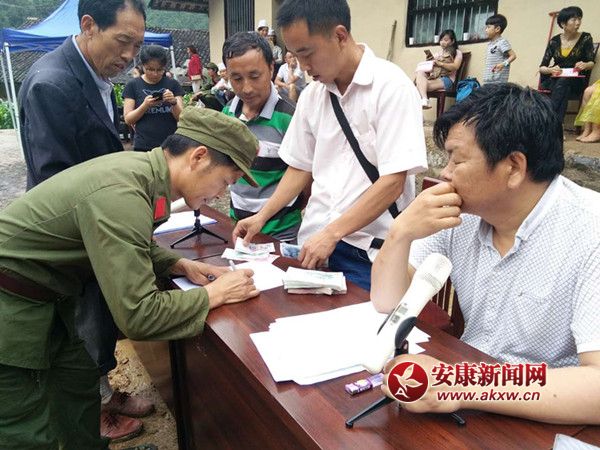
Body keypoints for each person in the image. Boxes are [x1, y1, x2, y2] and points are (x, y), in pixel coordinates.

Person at [0, 107, 261, 449]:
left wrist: (179, 265)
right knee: (24, 428)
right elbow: (139, 314)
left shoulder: (142, 175)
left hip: (45, 298)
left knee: (76, 391)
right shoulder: (123, 192)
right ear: (198, 157)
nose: (220, 194)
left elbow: (126, 241)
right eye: (225, 181)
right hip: (11, 307)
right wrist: (215, 294)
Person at [371, 83, 600, 425]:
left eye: (457, 159)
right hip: (472, 402)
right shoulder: (461, 215)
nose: (445, 173)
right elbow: (388, 302)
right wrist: (400, 233)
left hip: (548, 419)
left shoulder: (590, 232)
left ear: (514, 167)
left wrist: (459, 383)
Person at [17, 0, 153, 442]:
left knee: (100, 314)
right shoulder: (52, 85)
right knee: (83, 327)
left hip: (96, 223)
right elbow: (54, 179)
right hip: (72, 233)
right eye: (123, 41)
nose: (129, 55)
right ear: (89, 25)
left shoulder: (96, 75)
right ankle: (91, 412)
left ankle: (104, 392)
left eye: (137, 45)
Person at [232, 0, 427, 291]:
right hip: (314, 245)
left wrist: (333, 233)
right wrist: (261, 217)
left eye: (307, 54)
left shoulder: (391, 88)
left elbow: (392, 182)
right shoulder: (313, 96)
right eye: (296, 56)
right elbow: (300, 167)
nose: (304, 67)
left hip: (370, 252)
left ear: (339, 36)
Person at [222, 31, 302, 242]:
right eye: (236, 79)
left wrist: (269, 215)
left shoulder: (290, 117)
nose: (246, 88)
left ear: (271, 68)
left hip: (281, 232)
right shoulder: (227, 113)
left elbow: (305, 179)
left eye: (255, 76)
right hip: (238, 226)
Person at [539, 6, 595, 123]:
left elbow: (591, 62)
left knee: (564, 82)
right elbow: (542, 67)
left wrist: (585, 64)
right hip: (555, 79)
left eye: (579, 19)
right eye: (574, 20)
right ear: (563, 24)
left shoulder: (585, 38)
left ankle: (548, 119)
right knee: (563, 86)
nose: (578, 23)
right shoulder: (554, 41)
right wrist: (550, 70)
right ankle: (557, 125)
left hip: (576, 80)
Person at [123, 45, 184, 152]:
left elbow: (181, 118)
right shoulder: (133, 85)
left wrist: (174, 102)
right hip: (143, 145)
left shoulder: (173, 84)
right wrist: (145, 106)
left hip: (170, 145)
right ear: (142, 66)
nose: (155, 74)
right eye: (150, 69)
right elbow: (128, 119)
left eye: (159, 70)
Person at [416, 29, 463, 110]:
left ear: (452, 41)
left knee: (419, 86)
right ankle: (425, 100)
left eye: (445, 40)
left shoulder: (457, 52)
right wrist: (429, 62)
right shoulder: (437, 54)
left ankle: (424, 100)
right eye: (441, 40)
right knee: (420, 73)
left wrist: (440, 63)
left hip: (447, 80)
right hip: (434, 78)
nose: (442, 42)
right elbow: (429, 70)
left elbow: (455, 66)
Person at [482, 14, 517, 84]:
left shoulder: (502, 42)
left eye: (488, 27)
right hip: (488, 80)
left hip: (498, 81)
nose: (486, 30)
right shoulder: (490, 44)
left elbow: (513, 56)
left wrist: (503, 64)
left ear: (497, 29)